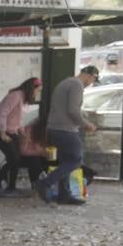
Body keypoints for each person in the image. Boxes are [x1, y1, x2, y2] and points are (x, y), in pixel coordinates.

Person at [34, 66, 99, 206]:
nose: (91, 83)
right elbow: (73, 111)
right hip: (66, 129)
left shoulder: (66, 82)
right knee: (75, 159)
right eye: (93, 79)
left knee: (65, 162)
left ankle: (64, 194)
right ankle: (45, 183)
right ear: (89, 75)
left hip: (54, 128)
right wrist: (86, 124)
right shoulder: (77, 85)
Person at [0, 77, 41, 197]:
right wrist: (2, 133)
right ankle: (2, 184)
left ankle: (6, 185)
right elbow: (2, 114)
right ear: (31, 89)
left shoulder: (24, 99)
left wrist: (22, 132)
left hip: (11, 131)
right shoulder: (15, 96)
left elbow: (17, 119)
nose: (37, 93)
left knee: (16, 158)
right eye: (37, 90)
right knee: (13, 158)